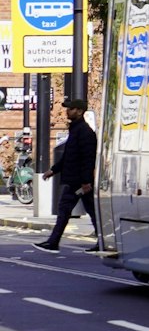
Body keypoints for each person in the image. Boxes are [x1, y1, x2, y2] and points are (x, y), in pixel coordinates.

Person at [36, 95, 98, 253]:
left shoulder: (85, 132)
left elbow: (88, 159)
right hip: (76, 180)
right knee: (89, 210)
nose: (67, 111)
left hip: (79, 182)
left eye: (70, 109)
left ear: (79, 111)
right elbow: (68, 156)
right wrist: (53, 170)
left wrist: (85, 182)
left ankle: (53, 242)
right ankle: (103, 242)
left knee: (65, 209)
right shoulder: (76, 130)